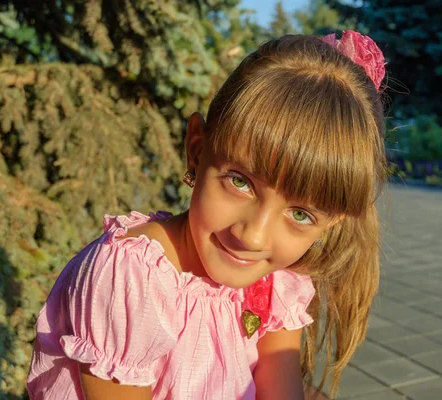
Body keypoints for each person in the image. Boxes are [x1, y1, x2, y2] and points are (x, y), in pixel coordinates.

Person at [27, 31, 387, 400]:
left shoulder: (277, 280)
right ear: (196, 150)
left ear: (332, 222)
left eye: (300, 214)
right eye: (240, 181)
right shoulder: (135, 278)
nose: (253, 237)